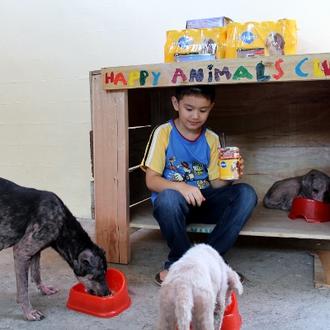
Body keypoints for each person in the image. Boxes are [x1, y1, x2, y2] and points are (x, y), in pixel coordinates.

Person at [140, 85, 257, 286]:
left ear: (211, 107)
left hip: (204, 200)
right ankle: (179, 261)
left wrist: (230, 175)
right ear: (176, 104)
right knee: (167, 198)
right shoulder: (164, 133)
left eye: (203, 110)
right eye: (189, 108)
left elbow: (215, 183)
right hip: (176, 205)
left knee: (246, 194)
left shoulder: (211, 138)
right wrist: (182, 187)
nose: (195, 116)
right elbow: (151, 180)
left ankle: (209, 260)